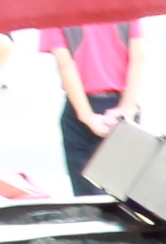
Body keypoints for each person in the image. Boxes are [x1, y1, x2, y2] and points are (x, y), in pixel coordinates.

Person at [47, 21, 135, 186]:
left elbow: (65, 64)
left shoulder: (57, 10)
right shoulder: (127, 4)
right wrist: (127, 106)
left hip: (80, 107)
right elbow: (140, 54)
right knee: (126, 190)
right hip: (122, 107)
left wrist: (86, 116)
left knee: (89, 196)